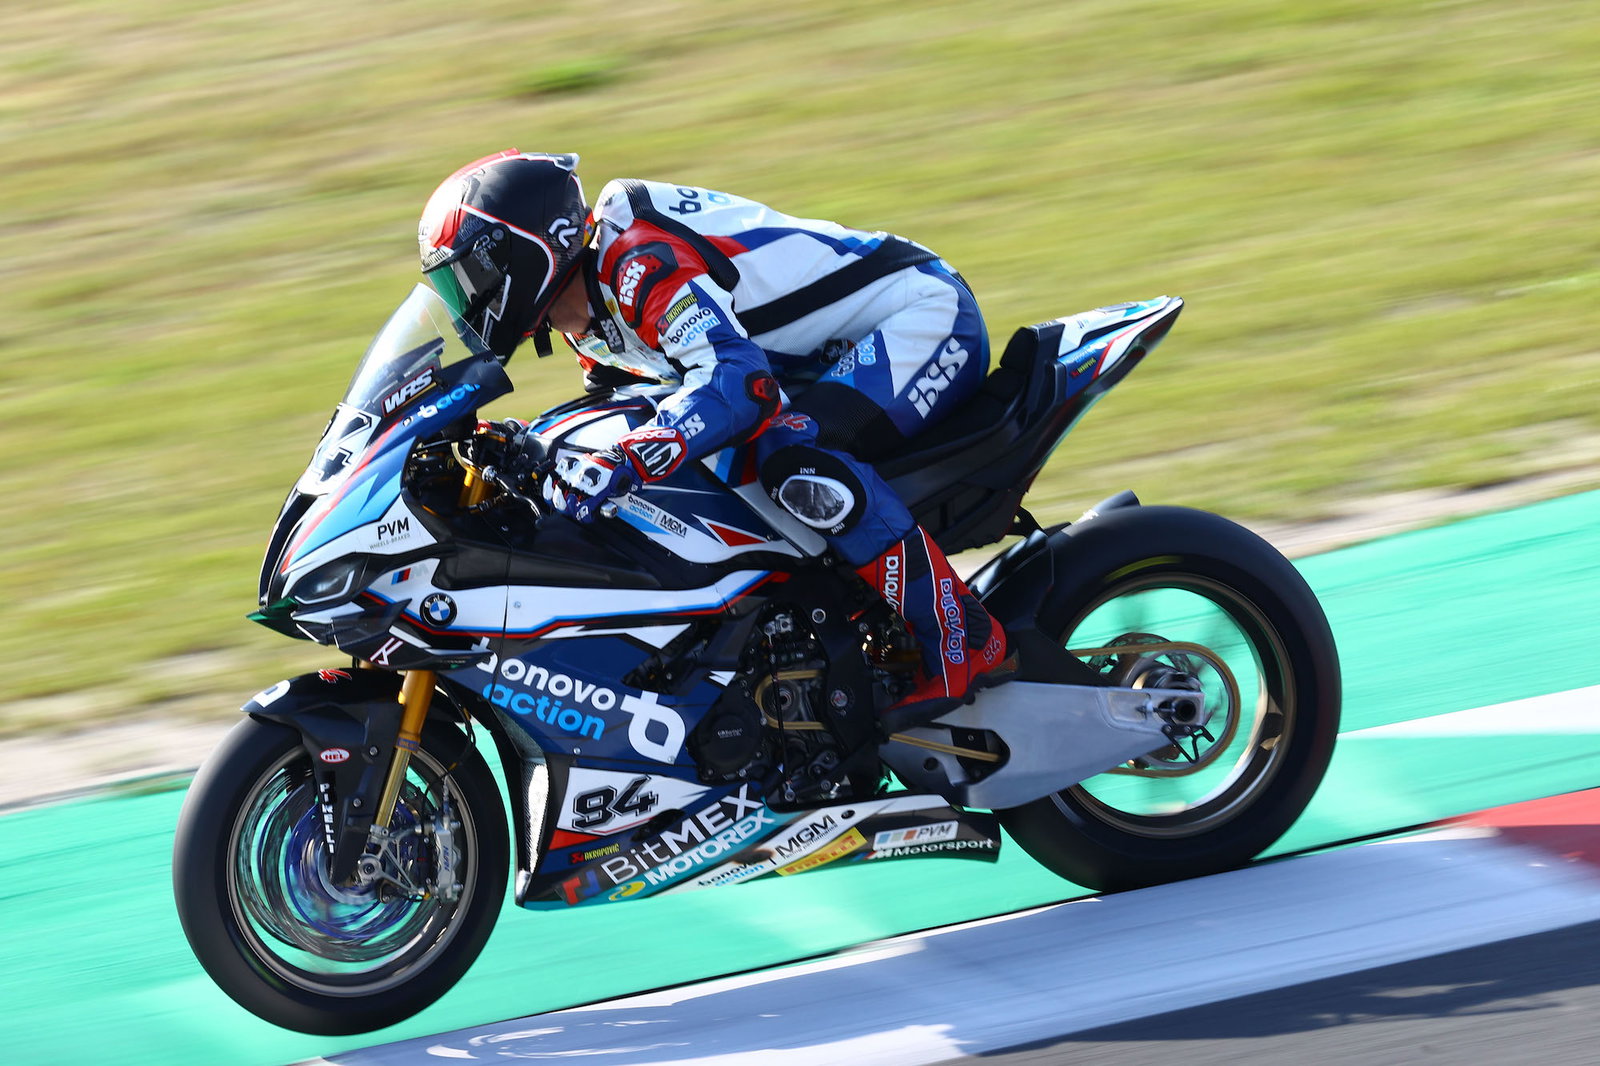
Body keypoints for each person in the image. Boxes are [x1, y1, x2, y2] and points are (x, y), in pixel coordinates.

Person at [418, 149, 1012, 729]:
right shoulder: (586, 316)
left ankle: (960, 634)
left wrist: (628, 458)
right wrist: (522, 447)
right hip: (817, 364)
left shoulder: (637, 262)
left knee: (796, 463)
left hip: (920, 319)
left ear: (527, 252)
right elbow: (616, 410)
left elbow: (741, 384)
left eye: (468, 276)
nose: (464, 299)